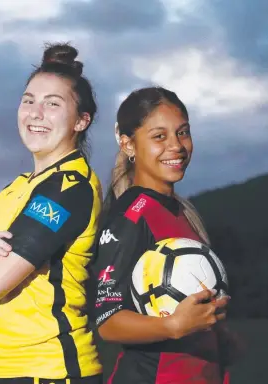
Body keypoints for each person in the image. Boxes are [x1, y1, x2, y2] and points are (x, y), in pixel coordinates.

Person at [0, 43, 103, 383]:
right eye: (28, 100)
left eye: (53, 104)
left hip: (51, 371)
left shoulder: (68, 187)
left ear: (81, 121)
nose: (35, 113)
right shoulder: (16, 189)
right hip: (5, 371)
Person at [92, 86, 242, 383]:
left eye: (183, 133)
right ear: (128, 144)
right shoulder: (131, 215)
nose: (177, 146)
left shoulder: (181, 212)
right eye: (159, 136)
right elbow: (108, 322)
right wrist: (174, 326)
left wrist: (220, 337)